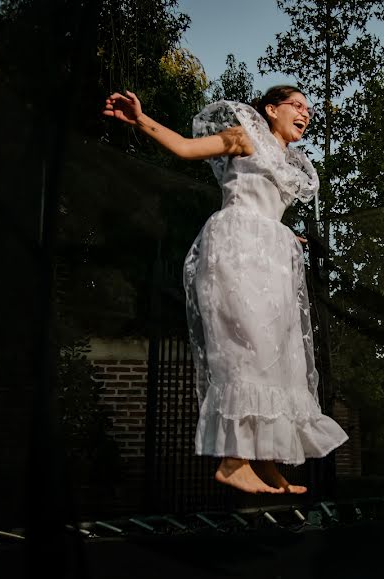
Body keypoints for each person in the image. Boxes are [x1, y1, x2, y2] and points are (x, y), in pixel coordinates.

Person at [103, 86, 347, 494]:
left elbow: (269, 205)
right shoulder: (245, 135)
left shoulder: (292, 161)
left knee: (276, 356)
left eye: (309, 108)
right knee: (245, 350)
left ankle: (265, 461)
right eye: (297, 105)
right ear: (271, 109)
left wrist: (281, 234)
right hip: (237, 244)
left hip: (271, 254)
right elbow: (183, 147)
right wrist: (141, 120)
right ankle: (233, 461)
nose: (306, 112)